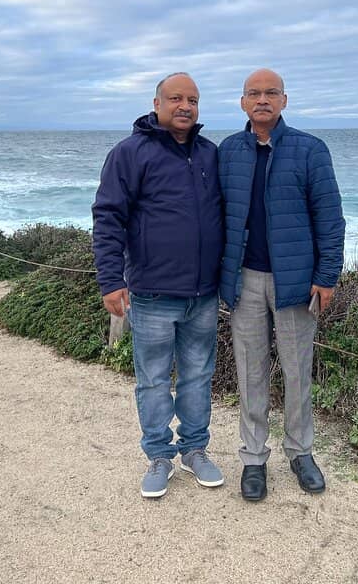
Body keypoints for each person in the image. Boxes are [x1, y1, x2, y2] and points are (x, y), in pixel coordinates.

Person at [91, 72, 225, 499]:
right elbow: (108, 217)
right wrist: (111, 280)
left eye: (193, 100)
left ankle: (195, 449)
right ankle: (158, 456)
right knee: (152, 379)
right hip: (151, 292)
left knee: (198, 376)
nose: (185, 106)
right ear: (157, 103)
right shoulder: (130, 153)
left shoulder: (209, 154)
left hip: (204, 293)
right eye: (176, 98)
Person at [218, 68, 345, 502]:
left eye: (271, 93)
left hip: (295, 284)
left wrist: (326, 276)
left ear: (285, 100)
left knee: (297, 373)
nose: (262, 100)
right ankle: (254, 459)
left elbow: (330, 218)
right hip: (245, 282)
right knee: (250, 373)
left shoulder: (310, 150)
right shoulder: (228, 151)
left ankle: (301, 452)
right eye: (254, 93)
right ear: (242, 102)